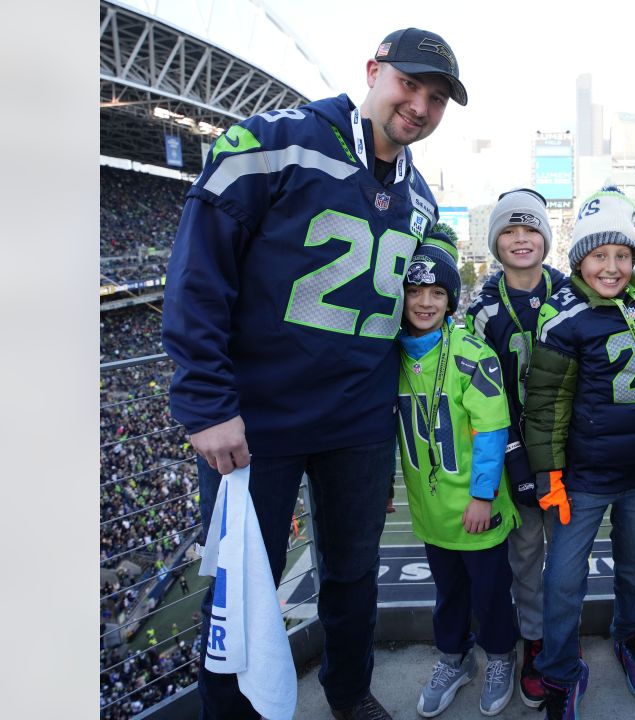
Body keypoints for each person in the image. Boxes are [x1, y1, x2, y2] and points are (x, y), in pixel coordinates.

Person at [161, 27, 467, 720]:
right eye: (409, 85)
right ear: (373, 72)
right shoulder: (274, 141)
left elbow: (434, 247)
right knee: (241, 586)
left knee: (354, 573)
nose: (420, 105)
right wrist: (207, 404)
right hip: (256, 418)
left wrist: (444, 259)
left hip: (357, 420)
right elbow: (198, 272)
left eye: (437, 97)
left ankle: (349, 691)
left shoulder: (418, 194)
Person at [524, 187, 635, 720]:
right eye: (599, 255)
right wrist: (548, 473)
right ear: (579, 258)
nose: (612, 267)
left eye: (623, 255)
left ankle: (631, 636)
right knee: (563, 578)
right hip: (582, 478)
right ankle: (561, 671)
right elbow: (544, 406)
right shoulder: (565, 317)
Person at [395, 233, 521, 717]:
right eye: (415, 291)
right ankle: (454, 657)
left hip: (475, 506)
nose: (425, 302)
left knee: (490, 594)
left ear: (450, 300)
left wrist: (482, 495)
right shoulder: (393, 355)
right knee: (447, 593)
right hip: (430, 510)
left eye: (437, 293)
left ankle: (500, 657)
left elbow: (492, 430)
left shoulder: (471, 352)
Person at [465, 187, 572, 710]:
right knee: (526, 556)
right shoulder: (483, 310)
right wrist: (513, 456)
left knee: (571, 557)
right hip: (517, 454)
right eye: (509, 230)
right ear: (496, 242)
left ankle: (563, 641)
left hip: (571, 454)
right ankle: (535, 641)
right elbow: (485, 395)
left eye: (531, 229)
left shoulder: (573, 293)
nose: (521, 238)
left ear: (546, 238)